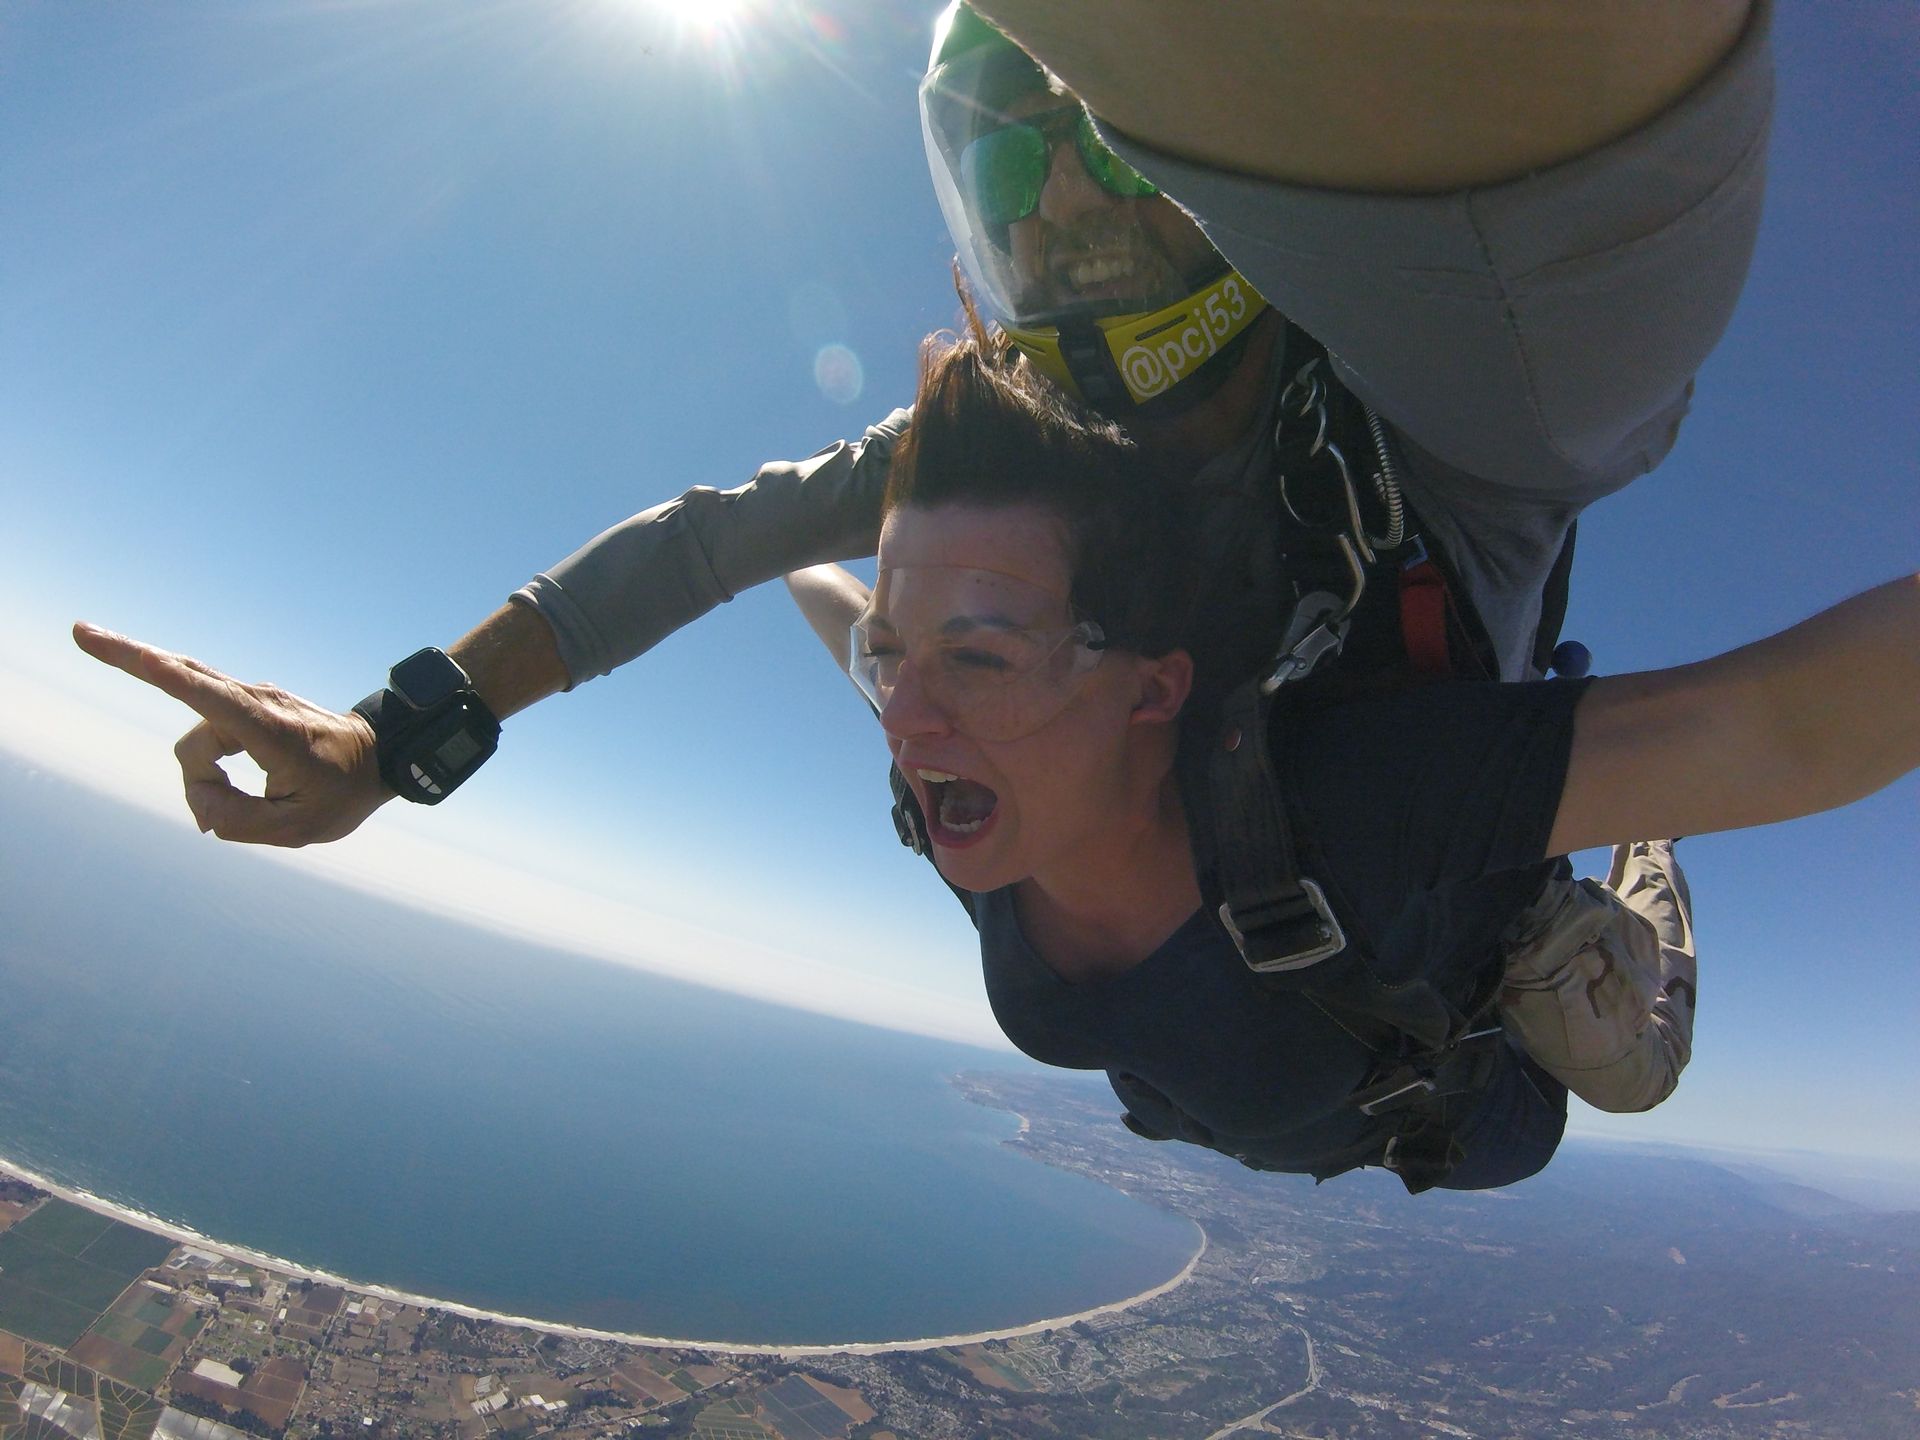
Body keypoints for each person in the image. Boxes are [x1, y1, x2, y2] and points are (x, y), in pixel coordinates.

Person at [67, 0, 1772, 849]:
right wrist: (401, 738)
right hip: (1150, 886)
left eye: (1098, 157)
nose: (1048, 216)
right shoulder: (1014, 449)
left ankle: (1593, 934)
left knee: (1548, 1058)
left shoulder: (1454, 417)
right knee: (853, 591)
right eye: (1004, 168)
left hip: (1407, 913)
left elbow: (1593, 231)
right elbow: (705, 539)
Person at [781, 326, 1917, 1191]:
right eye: (896, 661)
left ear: (1153, 688)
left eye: (978, 662)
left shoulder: (1348, 802)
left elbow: (1782, 729)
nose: (908, 720)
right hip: (1331, 1074)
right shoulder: (970, 793)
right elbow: (843, 622)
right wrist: (786, 556)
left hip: (1470, 1100)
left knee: (1634, 1074)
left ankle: (1642, 875)